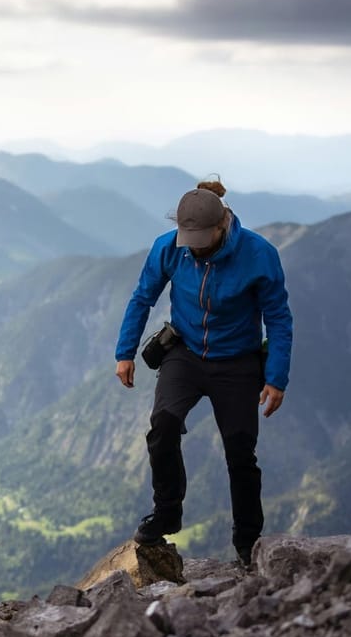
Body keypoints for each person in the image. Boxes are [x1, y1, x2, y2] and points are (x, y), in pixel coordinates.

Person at [114, 179, 293, 566]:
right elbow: (142, 297)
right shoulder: (169, 247)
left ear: (221, 225)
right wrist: (124, 352)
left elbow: (278, 317)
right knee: (162, 426)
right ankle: (167, 513)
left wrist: (276, 377)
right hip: (186, 352)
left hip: (238, 361)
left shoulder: (259, 255)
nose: (192, 247)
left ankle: (248, 542)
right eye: (187, 238)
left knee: (240, 451)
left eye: (199, 239)